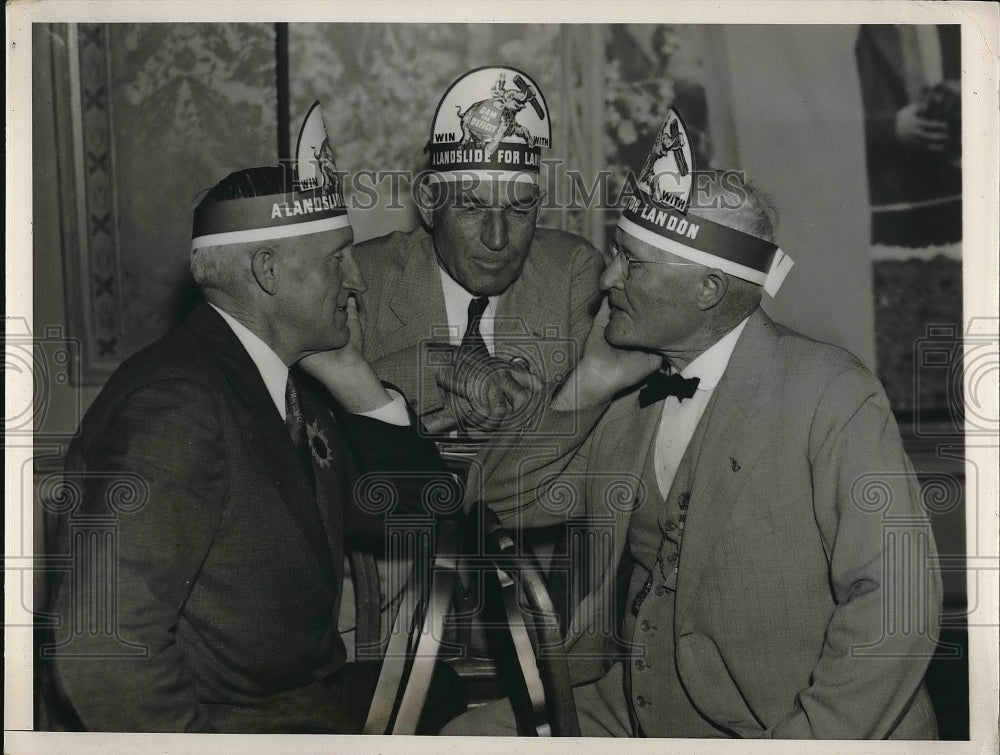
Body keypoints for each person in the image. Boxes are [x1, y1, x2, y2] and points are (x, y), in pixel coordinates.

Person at [444, 110, 942, 738]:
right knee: (461, 740)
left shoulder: (831, 394)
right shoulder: (630, 392)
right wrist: (590, 381)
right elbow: (499, 499)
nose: (607, 278)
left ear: (707, 289)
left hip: (782, 722)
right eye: (615, 255)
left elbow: (899, 604)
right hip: (637, 707)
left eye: (632, 263)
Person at [42, 102, 459, 733]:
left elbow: (420, 511)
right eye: (337, 259)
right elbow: (100, 654)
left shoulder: (280, 386)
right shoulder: (177, 408)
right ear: (267, 272)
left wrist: (355, 377)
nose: (358, 281)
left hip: (299, 709)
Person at [354, 65, 603, 435]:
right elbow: (320, 414)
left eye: (519, 210)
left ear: (539, 207)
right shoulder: (363, 279)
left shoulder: (572, 272)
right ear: (428, 204)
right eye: (471, 208)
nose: (497, 239)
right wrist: (440, 365)